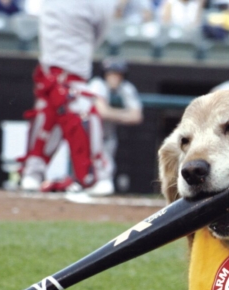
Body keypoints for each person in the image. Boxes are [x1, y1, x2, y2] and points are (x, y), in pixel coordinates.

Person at [18, 0, 118, 193]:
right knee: (44, 117)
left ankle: (96, 176)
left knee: (82, 117)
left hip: (76, 76)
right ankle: (33, 172)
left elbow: (97, 36)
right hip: (49, 73)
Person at [87, 58, 144, 196]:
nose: (115, 77)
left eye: (118, 74)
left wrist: (112, 114)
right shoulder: (97, 84)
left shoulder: (126, 87)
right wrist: (124, 114)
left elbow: (137, 117)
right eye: (111, 73)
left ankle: (101, 185)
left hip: (107, 133)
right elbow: (102, 112)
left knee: (106, 165)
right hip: (87, 131)